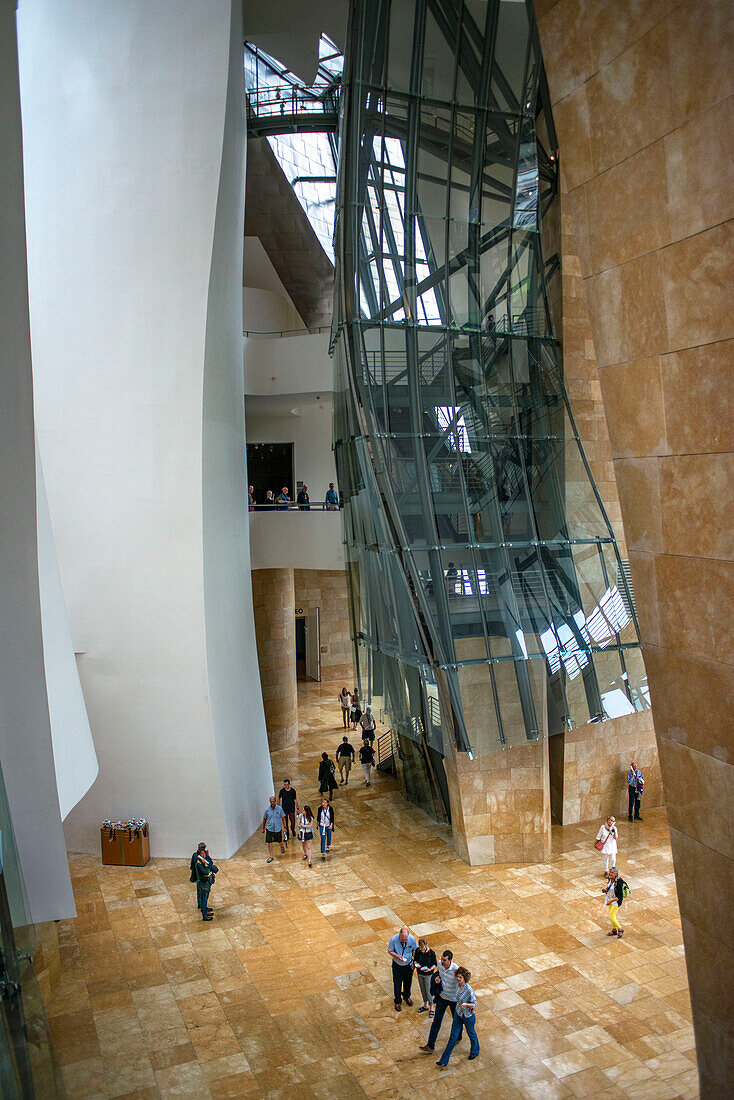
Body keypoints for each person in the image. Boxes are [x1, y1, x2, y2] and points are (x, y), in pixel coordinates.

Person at [436, 967, 479, 1066]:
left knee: (471, 1033)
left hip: (468, 1016)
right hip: (458, 1014)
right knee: (453, 1037)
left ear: (464, 978)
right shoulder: (456, 986)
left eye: (460, 977)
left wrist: (466, 1005)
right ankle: (443, 1061)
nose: (458, 979)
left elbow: (474, 1003)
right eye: (457, 977)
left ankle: (475, 1051)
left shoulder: (469, 990)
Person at [420, 950, 459, 1053]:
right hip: (442, 998)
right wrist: (438, 981)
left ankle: (458, 1037)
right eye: (442, 958)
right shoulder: (439, 965)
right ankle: (430, 1045)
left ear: (450, 960)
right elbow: (439, 974)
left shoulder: (456, 970)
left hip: (453, 1000)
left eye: (444, 960)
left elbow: (461, 983)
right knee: (436, 1021)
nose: (442, 961)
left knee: (456, 1020)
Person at [387, 926, 417, 1012]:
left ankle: (406, 996)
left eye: (405, 939)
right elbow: (390, 951)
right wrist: (397, 956)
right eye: (402, 939)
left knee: (408, 982)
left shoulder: (411, 939)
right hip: (397, 965)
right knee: (397, 983)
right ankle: (397, 1001)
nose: (404, 941)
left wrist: (415, 960)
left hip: (408, 964)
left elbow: (414, 950)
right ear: (399, 935)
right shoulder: (393, 939)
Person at [189, 842, 217, 918]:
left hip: (200, 878)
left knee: (201, 893)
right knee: (203, 894)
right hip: (202, 879)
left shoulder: (199, 857)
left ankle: (202, 906)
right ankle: (203, 910)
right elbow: (207, 868)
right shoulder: (199, 861)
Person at [413, 938, 438, 1013]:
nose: (422, 950)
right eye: (421, 948)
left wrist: (430, 969)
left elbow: (435, 964)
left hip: (428, 975)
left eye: (423, 948)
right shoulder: (418, 951)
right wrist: (416, 964)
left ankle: (431, 1007)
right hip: (420, 973)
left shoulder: (431, 953)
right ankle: (425, 1004)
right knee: (423, 989)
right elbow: (415, 960)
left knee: (428, 991)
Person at [603, 866, 628, 938]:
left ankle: (620, 929)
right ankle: (614, 930)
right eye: (610, 872)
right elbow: (609, 886)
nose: (610, 874)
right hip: (610, 899)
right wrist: (606, 889)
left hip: (615, 902)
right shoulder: (610, 879)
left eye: (612, 873)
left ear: (616, 874)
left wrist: (610, 901)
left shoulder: (619, 883)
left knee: (611, 916)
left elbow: (620, 896)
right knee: (612, 916)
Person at [261, 796, 286, 863]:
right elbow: (264, 819)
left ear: (275, 801)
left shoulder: (279, 809)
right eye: (271, 801)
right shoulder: (267, 810)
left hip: (277, 828)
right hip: (269, 828)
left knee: (279, 840)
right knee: (269, 842)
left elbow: (283, 817)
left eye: (273, 801)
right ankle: (271, 856)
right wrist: (263, 828)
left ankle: (282, 846)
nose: (272, 803)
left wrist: (285, 827)